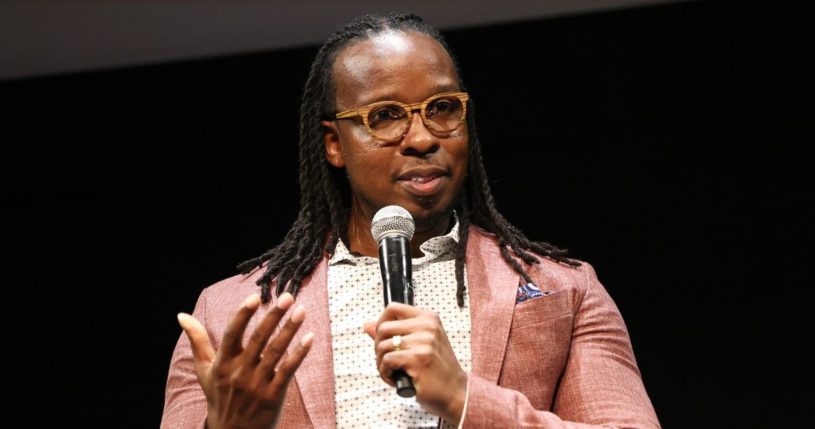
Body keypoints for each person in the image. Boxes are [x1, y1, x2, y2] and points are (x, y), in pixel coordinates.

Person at [161, 12, 659, 429]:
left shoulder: (563, 290)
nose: (421, 137)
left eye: (442, 109)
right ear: (334, 144)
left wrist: (465, 398)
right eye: (386, 116)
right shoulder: (227, 314)